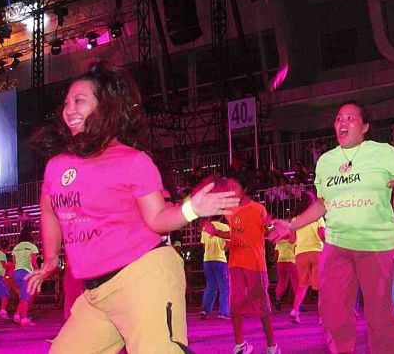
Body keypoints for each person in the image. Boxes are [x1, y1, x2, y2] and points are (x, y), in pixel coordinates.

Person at [25, 61, 239, 353]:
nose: (69, 110)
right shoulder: (58, 166)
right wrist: (50, 258)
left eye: (79, 101)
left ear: (106, 107)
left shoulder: (132, 161)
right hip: (97, 292)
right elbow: (49, 209)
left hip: (143, 277)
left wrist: (192, 208)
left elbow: (158, 219)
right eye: (66, 103)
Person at [268, 101, 394, 354]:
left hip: (376, 244)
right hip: (337, 243)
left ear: (365, 126)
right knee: (332, 311)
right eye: (338, 118)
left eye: (350, 118)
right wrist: (292, 223)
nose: (342, 123)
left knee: (380, 315)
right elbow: (324, 203)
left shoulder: (383, 151)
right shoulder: (326, 161)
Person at [205, 175, 278, 354]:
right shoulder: (229, 210)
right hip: (235, 265)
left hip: (255, 266)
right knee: (235, 306)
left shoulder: (258, 208)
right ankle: (239, 345)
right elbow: (234, 233)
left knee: (262, 308)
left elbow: (269, 230)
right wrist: (216, 233)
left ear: (244, 188)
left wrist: (269, 224)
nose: (230, 190)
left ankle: (271, 346)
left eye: (233, 186)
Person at [290, 192, 324, 324]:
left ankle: (295, 310)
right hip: (316, 252)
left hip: (300, 254)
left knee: (302, 285)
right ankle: (322, 317)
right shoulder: (317, 217)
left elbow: (292, 240)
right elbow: (322, 235)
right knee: (320, 287)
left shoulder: (295, 220)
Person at [199, 215, 231, 320]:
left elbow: (203, 245)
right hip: (220, 260)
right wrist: (222, 250)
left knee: (210, 286)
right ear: (221, 217)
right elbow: (229, 243)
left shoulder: (205, 227)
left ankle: (205, 310)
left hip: (207, 260)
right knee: (224, 287)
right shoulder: (225, 227)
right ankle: (223, 312)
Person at [11, 225, 39, 326]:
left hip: (16, 272)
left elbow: (14, 263)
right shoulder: (32, 247)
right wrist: (37, 272)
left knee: (23, 295)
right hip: (26, 273)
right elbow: (33, 262)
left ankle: (17, 315)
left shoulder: (16, 247)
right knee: (25, 298)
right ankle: (24, 319)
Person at [271, 232, 298, 312]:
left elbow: (275, 254)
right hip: (291, 262)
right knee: (296, 283)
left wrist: (274, 262)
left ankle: (277, 300)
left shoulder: (279, 240)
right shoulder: (293, 238)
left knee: (282, 283)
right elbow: (297, 251)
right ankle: (298, 304)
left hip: (280, 263)